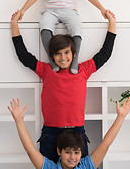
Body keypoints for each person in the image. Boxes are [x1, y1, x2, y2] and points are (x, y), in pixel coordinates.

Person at [10, 9, 116, 163]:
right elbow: (24, 56)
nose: (63, 57)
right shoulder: (47, 71)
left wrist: (112, 24)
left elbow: (104, 54)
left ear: (74, 53)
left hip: (77, 132)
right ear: (52, 56)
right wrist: (14, 25)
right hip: (51, 133)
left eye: (67, 52)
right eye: (58, 53)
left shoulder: (83, 70)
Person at [8, 97, 130, 169]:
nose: (72, 157)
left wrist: (121, 116)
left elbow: (106, 144)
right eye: (67, 152)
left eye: (76, 153)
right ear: (59, 151)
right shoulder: (50, 167)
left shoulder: (85, 166)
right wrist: (19, 121)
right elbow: (31, 151)